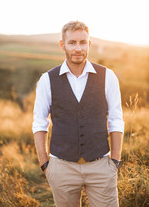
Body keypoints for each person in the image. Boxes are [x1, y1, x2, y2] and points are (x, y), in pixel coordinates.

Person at [32, 21, 124, 207]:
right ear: (62, 44)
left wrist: (114, 161)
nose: (78, 48)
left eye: (83, 42)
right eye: (72, 42)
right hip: (62, 167)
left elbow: (116, 120)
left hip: (101, 165)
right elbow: (39, 123)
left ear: (89, 44)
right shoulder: (47, 80)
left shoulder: (108, 76)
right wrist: (45, 164)